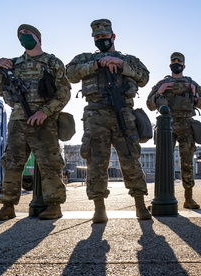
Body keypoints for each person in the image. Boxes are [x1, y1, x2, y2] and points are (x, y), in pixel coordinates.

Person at [66, 19, 151, 223]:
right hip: (96, 114)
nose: (101, 40)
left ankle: (140, 204)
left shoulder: (129, 59)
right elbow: (70, 74)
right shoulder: (84, 58)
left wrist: (122, 65)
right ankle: (99, 208)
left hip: (123, 113)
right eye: (97, 37)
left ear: (113, 36)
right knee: (96, 162)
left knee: (130, 159)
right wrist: (95, 65)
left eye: (104, 36)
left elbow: (144, 77)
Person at [0, 24, 71, 221]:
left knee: (49, 163)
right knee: (11, 163)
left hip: (44, 121)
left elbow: (64, 93)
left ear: (38, 38)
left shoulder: (52, 62)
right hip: (18, 120)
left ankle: (54, 205)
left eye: (27, 34)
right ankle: (7, 206)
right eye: (20, 35)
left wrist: (45, 111)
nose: (23, 37)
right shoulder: (13, 64)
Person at [147, 52, 201, 209]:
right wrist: (159, 91)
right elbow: (149, 104)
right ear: (170, 65)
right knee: (164, 163)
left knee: (187, 163)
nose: (176, 63)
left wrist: (194, 95)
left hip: (186, 127)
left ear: (184, 65)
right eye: (173, 61)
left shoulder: (191, 83)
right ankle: (163, 197)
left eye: (179, 61)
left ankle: (189, 198)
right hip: (166, 127)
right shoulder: (162, 83)